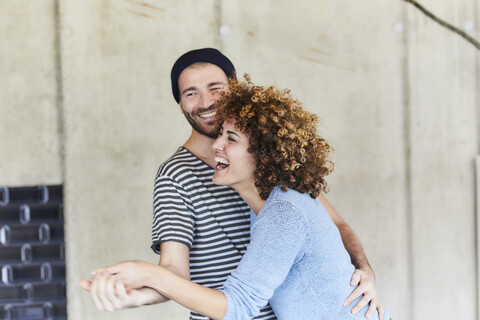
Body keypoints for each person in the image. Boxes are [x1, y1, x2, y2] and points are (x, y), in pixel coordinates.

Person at [80, 48, 384, 319]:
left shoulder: (278, 179)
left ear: (235, 90)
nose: (206, 101)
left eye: (215, 88)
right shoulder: (175, 176)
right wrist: (135, 294)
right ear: (181, 105)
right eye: (191, 93)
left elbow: (335, 226)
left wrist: (364, 271)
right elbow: (173, 269)